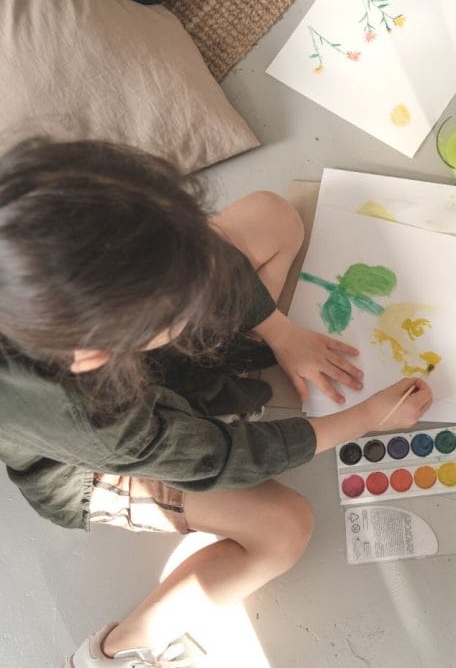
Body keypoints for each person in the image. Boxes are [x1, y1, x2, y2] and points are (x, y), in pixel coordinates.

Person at [0, 138, 433, 667]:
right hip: (83, 467)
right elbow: (216, 458)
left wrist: (280, 332)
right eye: (181, 308)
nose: (201, 298)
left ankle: (208, 340)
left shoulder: (43, 234)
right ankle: (118, 652)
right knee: (284, 528)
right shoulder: (94, 421)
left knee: (272, 216)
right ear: (97, 352)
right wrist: (365, 417)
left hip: (125, 359)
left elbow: (203, 261)